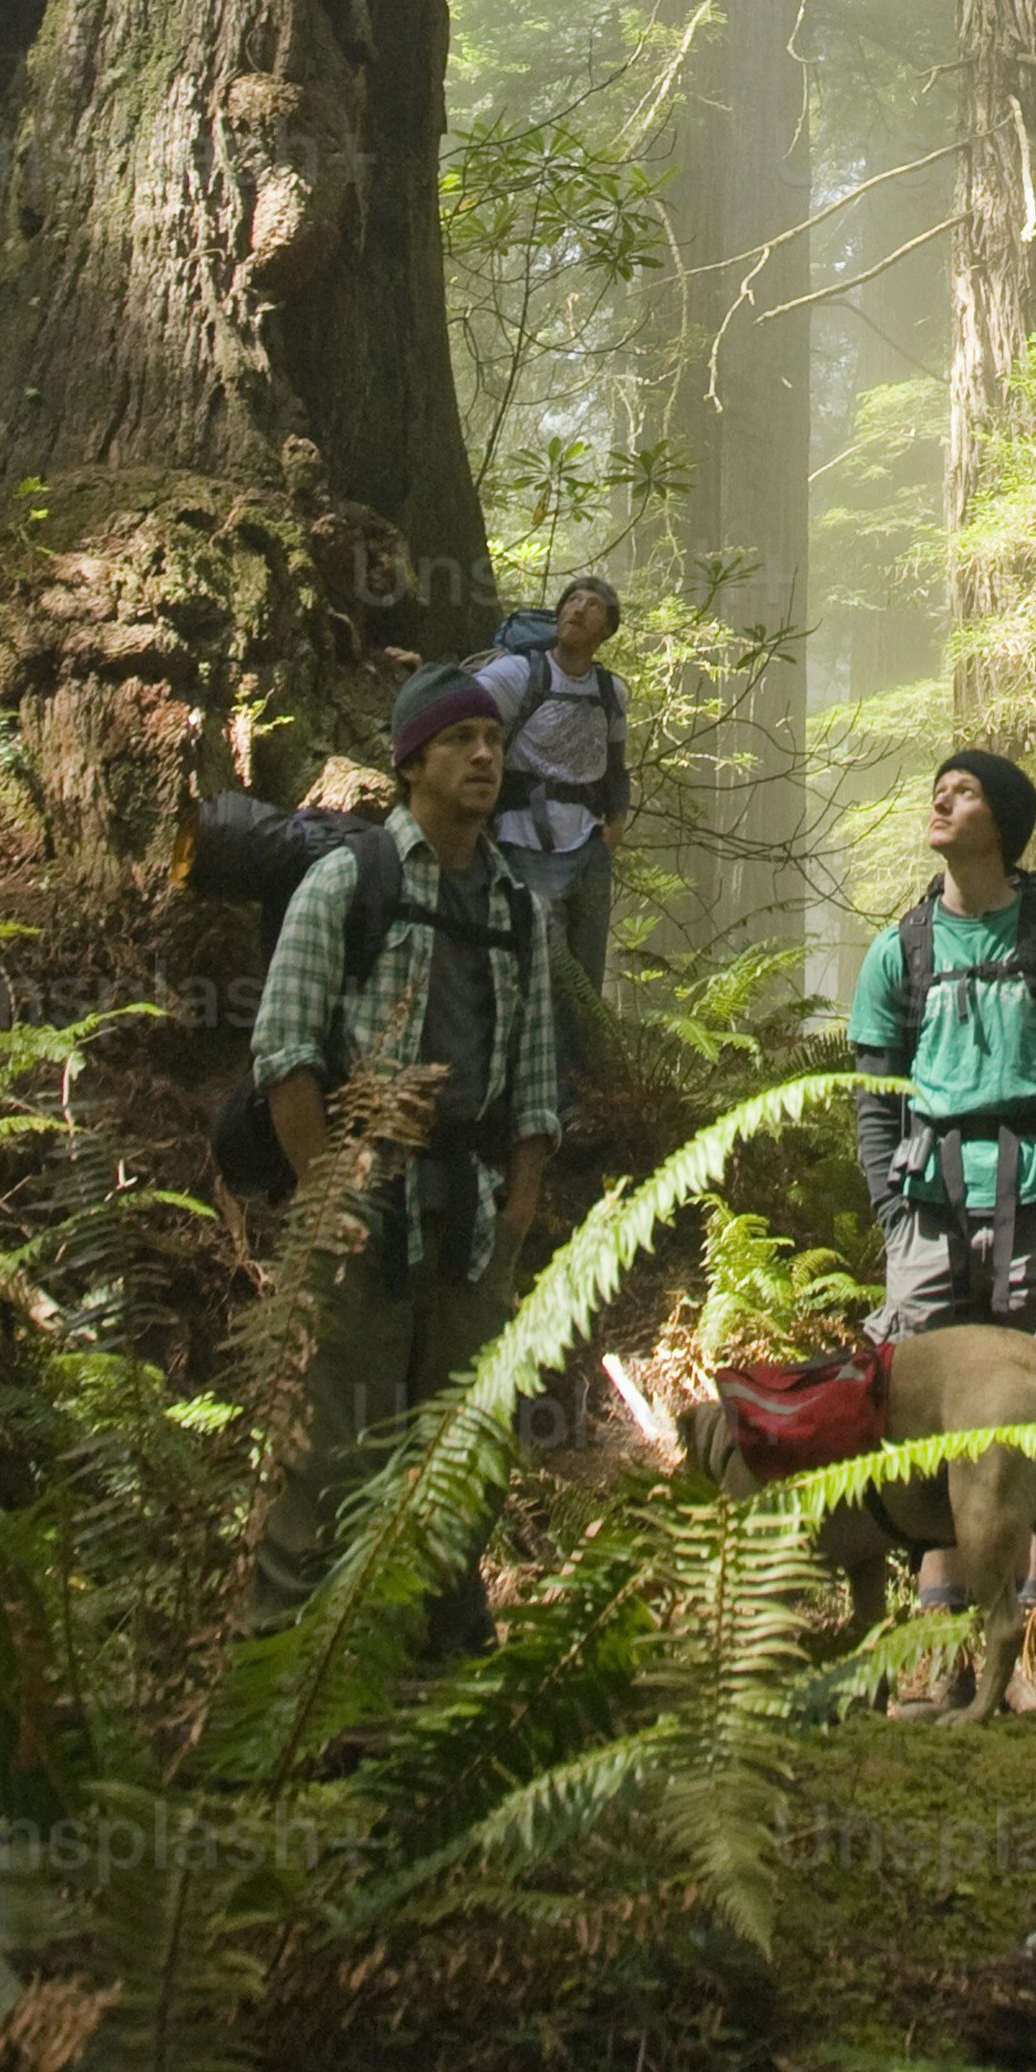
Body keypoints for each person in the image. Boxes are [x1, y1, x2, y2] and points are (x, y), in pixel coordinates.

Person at [247, 665, 564, 1636]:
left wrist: (516, 1215)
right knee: (333, 1445)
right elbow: (285, 1050)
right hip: (362, 1208)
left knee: (460, 1445)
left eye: (493, 744)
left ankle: (428, 1652)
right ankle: (285, 1660)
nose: (483, 757)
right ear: (410, 760)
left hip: (471, 1222)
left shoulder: (518, 908)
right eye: (461, 741)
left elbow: (538, 1089)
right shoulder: (349, 882)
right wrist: (327, 1192)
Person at [848, 748, 1036, 1696]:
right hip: (927, 1208)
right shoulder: (903, 947)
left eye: (964, 791)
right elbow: (874, 1090)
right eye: (939, 786)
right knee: (923, 1423)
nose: (942, 797)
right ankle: (938, 1659)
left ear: (1002, 821)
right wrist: (890, 1204)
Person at [477, 572, 631, 997]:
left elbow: (616, 766)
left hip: (590, 848)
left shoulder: (611, 692)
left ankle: (584, 1062)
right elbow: (458, 708)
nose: (578, 609)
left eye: (593, 605)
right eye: (572, 601)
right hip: (525, 842)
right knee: (545, 974)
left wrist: (617, 820)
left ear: (607, 631)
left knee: (586, 979)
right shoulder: (517, 674)